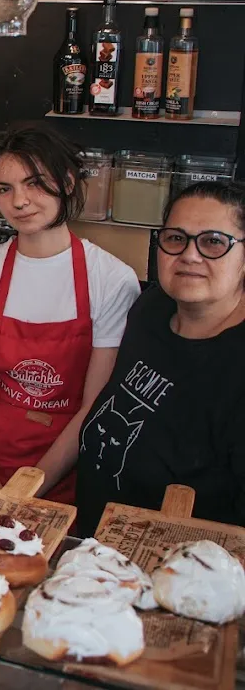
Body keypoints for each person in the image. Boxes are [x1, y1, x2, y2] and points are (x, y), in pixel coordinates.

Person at [0, 127, 139, 502]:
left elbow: (94, 406)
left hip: (56, 476)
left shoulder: (111, 281)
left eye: (35, 183)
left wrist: (26, 494)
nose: (20, 201)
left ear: (68, 182)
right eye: (4, 189)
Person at [75, 180, 245, 534]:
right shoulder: (151, 308)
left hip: (175, 561)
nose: (190, 255)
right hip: (95, 547)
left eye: (214, 242)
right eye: (175, 238)